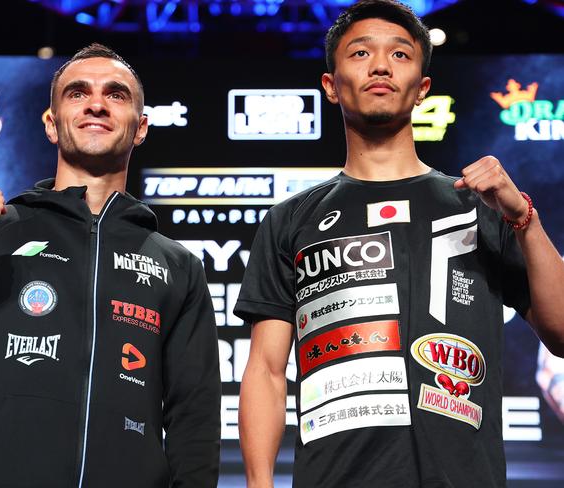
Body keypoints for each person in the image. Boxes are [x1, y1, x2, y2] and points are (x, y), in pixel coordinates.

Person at [234, 1, 564, 487]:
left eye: (402, 55)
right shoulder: (291, 221)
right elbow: (265, 370)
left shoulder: (482, 208)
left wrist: (524, 219)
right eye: (361, 52)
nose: (381, 66)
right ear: (330, 85)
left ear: (422, 90)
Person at [0, 44, 221, 487]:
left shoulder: (177, 266)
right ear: (51, 124)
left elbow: (195, 419)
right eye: (77, 93)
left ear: (141, 128)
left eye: (116, 95)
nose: (96, 103)